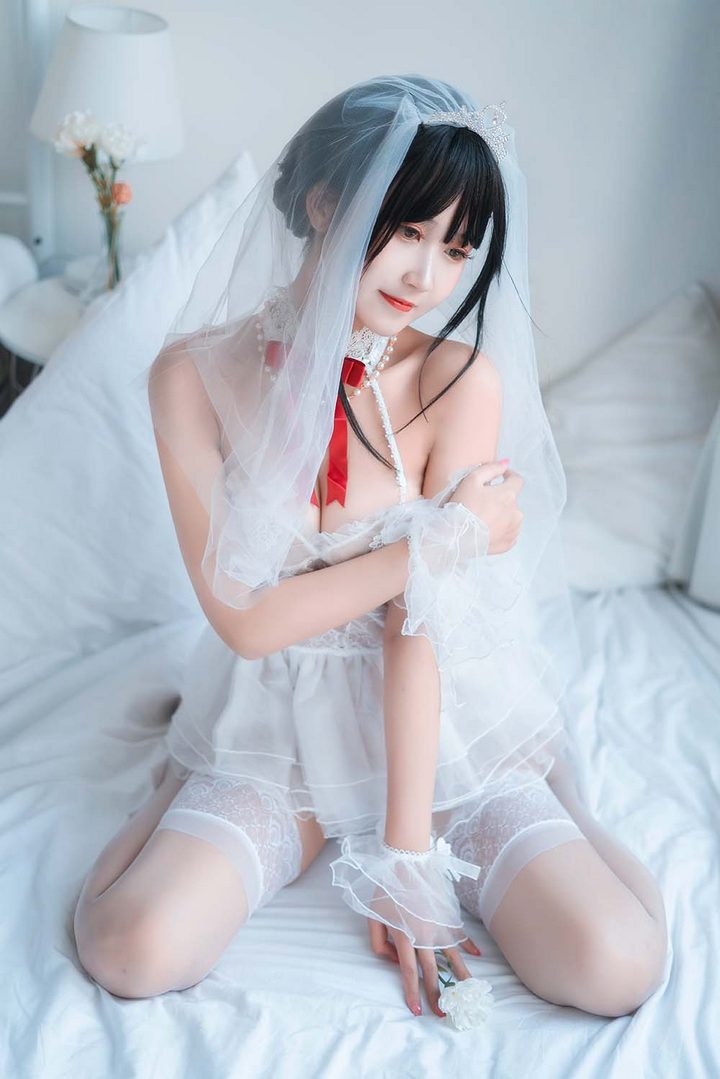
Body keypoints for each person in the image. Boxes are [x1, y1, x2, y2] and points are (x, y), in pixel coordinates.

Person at [73, 75, 668, 1021]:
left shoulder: (454, 380)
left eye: (457, 249)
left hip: (435, 723)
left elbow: (416, 624)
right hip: (275, 722)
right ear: (324, 204)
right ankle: (175, 783)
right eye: (410, 231)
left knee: (616, 964)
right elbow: (246, 622)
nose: (427, 276)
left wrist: (408, 858)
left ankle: (565, 804)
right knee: (128, 949)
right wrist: (446, 537)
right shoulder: (191, 376)